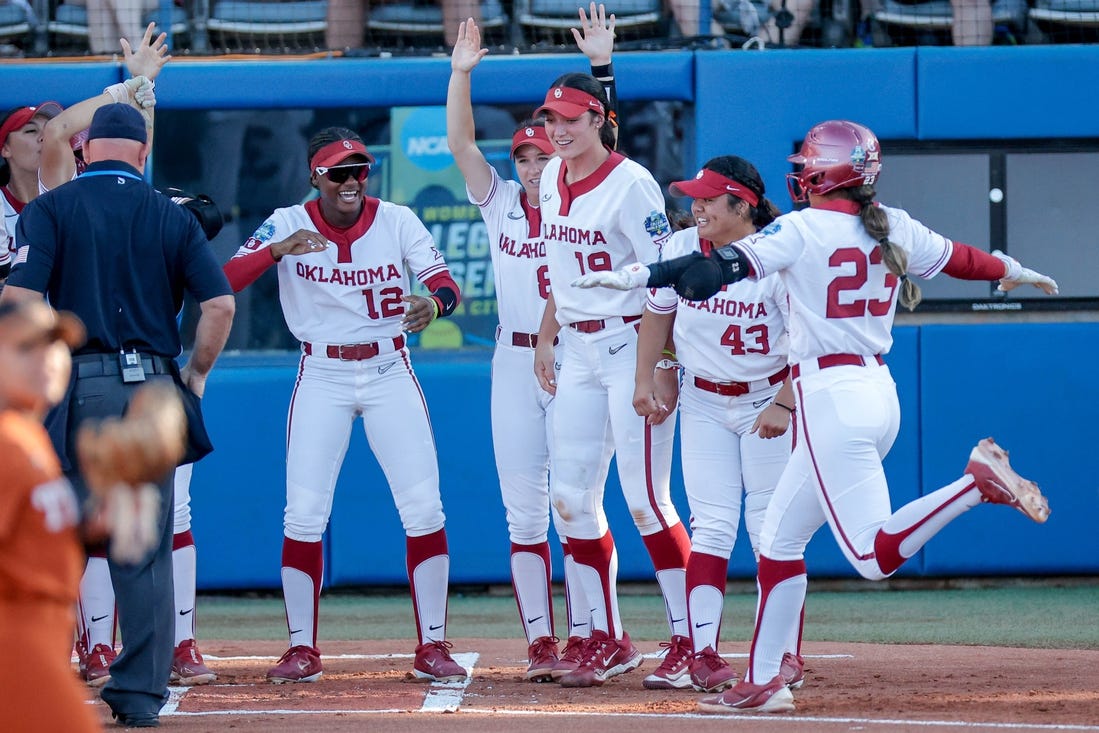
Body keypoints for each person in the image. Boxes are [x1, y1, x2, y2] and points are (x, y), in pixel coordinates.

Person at [573, 118, 1056, 713]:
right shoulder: (891, 224)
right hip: (875, 387)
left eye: (807, 163)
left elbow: (709, 272)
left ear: (824, 173)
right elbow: (961, 259)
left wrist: (636, 275)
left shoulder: (801, 230)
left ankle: (972, 485)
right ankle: (765, 680)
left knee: (872, 556)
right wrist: (1012, 269)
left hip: (828, 395)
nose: (799, 172)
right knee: (777, 539)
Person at [1, 102, 236, 727]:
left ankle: (35, 676)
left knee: (57, 532)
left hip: (77, 385)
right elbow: (219, 307)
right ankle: (137, 700)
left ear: (88, 151)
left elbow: (19, 302)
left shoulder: (50, 209)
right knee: (144, 548)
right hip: (153, 389)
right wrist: (194, 374)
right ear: (140, 154)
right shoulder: (170, 214)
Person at [222, 126, 469, 685]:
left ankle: (433, 643)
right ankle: (301, 648)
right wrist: (275, 250)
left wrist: (434, 304)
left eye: (359, 169)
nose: (352, 181)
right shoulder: (287, 220)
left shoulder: (397, 219)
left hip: (388, 366)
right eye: (339, 172)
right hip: (323, 370)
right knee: (304, 513)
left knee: (425, 508)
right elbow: (225, 279)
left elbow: (448, 285)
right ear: (316, 176)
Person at [446, 4, 621, 682]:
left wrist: (604, 72)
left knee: (576, 499)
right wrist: (460, 73)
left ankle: (588, 633)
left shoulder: (580, 196)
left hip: (578, 351)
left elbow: (613, 146)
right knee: (523, 509)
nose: (527, 164)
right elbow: (462, 144)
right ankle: (542, 640)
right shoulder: (498, 202)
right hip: (514, 357)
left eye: (538, 154)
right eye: (521, 155)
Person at [530, 70, 693, 689]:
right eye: (551, 119)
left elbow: (670, 270)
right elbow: (561, 272)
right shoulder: (549, 176)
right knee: (569, 498)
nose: (558, 129)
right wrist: (547, 335)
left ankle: (691, 639)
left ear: (599, 118)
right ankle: (607, 635)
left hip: (631, 343)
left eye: (571, 118)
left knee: (646, 498)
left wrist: (665, 362)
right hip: (577, 346)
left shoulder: (632, 184)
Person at [635, 156, 798, 692]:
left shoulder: (779, 253)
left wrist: (786, 401)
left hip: (765, 399)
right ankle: (703, 653)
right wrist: (653, 371)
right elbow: (656, 313)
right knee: (713, 524)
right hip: (703, 399)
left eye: (707, 198)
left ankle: (784, 653)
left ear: (742, 204)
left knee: (770, 528)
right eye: (693, 197)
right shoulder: (682, 247)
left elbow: (812, 344)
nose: (695, 206)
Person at [0, 300, 101, 733]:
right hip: (16, 644)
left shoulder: (27, 434)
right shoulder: (8, 444)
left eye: (55, 346)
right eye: (26, 347)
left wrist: (96, 526)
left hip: (38, 638)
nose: (47, 359)